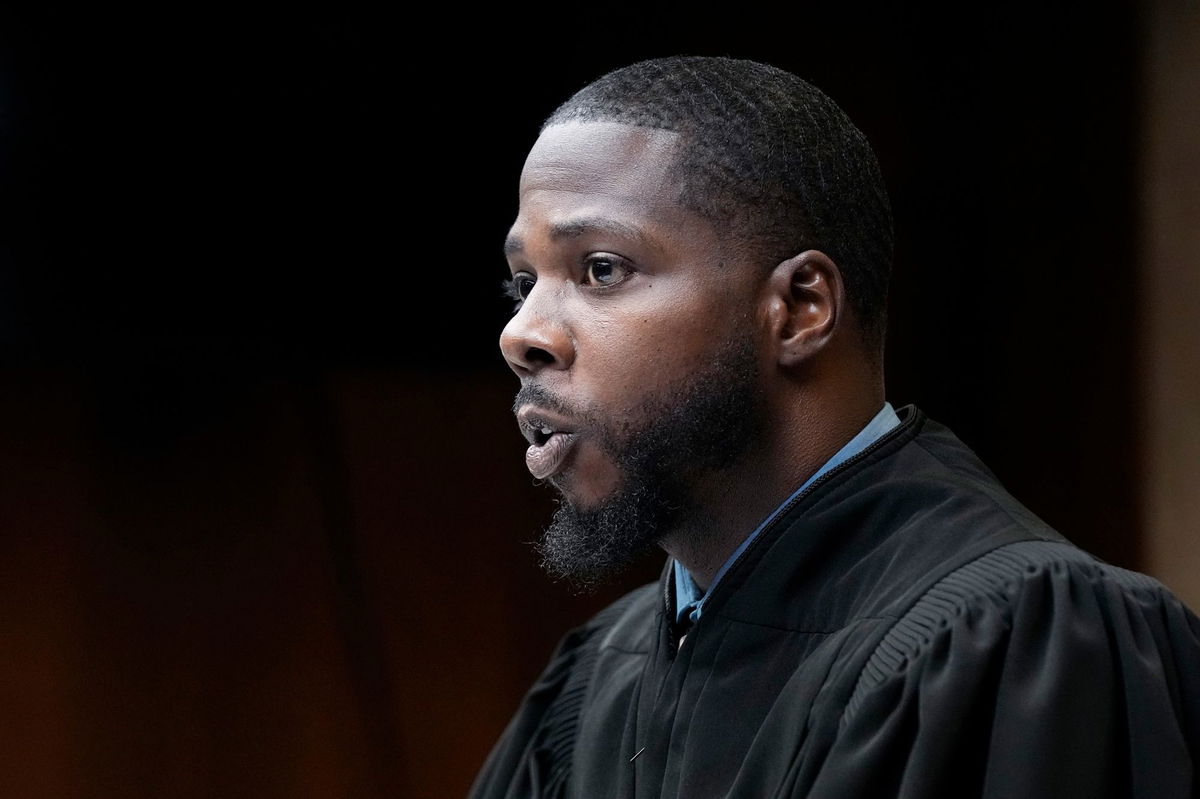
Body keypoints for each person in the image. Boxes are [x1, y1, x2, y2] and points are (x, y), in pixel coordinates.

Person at [471, 56, 1200, 799]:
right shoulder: (596, 683)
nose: (521, 332)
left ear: (801, 308)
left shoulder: (1025, 642)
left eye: (600, 269)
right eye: (523, 283)